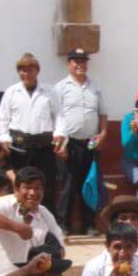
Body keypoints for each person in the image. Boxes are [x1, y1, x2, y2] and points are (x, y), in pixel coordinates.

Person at [0, 53, 63, 211]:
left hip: (44, 146)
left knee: (46, 183)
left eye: (30, 69)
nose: (26, 73)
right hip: (20, 146)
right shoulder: (11, 92)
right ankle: (21, 218)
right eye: (23, 70)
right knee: (22, 184)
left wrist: (60, 133)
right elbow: (3, 118)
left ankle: (47, 222)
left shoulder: (50, 92)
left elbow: (59, 115)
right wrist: (3, 137)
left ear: (37, 71)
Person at [0, 166, 66, 276]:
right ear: (16, 189)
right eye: (27, 188)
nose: (33, 193)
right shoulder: (5, 204)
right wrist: (18, 228)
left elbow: (60, 249)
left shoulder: (45, 213)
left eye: (37, 188)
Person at [52, 48, 106, 233]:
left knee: (88, 184)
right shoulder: (60, 88)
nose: (80, 64)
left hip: (90, 143)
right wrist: (59, 144)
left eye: (83, 61)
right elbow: (54, 117)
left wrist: (103, 134)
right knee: (68, 185)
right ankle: (63, 225)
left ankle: (89, 225)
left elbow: (103, 115)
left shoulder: (96, 87)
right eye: (76, 61)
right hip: (68, 143)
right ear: (69, 64)